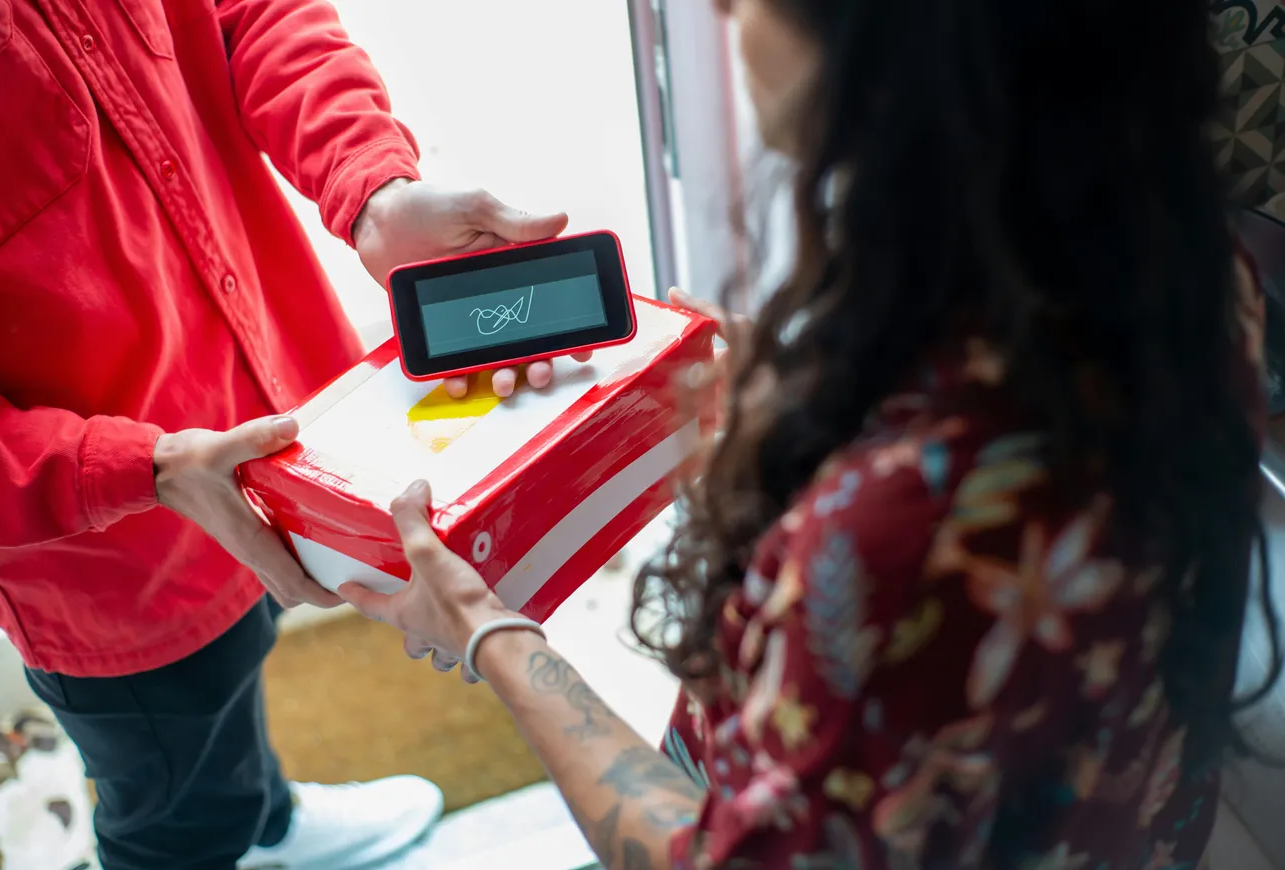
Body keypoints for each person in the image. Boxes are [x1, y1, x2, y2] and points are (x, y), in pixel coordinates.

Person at [339, 0, 1285, 867]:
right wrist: (802, 405)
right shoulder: (1193, 270)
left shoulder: (903, 531)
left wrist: (489, 632)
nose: (719, 10)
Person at [0, 2, 584, 869]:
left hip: (267, 415)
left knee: (240, 670)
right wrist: (136, 469)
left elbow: (251, 13)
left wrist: (373, 188)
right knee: (172, 809)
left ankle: (268, 823)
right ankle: (229, 831)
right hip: (107, 552)